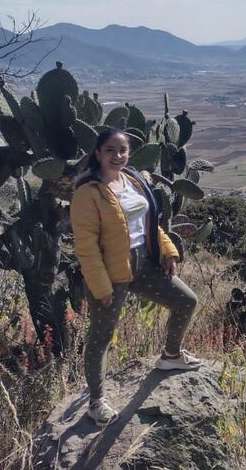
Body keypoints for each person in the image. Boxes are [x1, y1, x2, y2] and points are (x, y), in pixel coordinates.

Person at [70, 128, 202, 427]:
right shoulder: (87, 192)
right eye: (110, 150)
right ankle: (96, 401)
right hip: (110, 271)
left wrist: (167, 251)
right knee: (101, 336)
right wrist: (101, 286)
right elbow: (86, 246)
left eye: (122, 150)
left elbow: (150, 222)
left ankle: (170, 355)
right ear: (98, 153)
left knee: (186, 301)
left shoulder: (131, 180)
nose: (117, 156)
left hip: (144, 263)